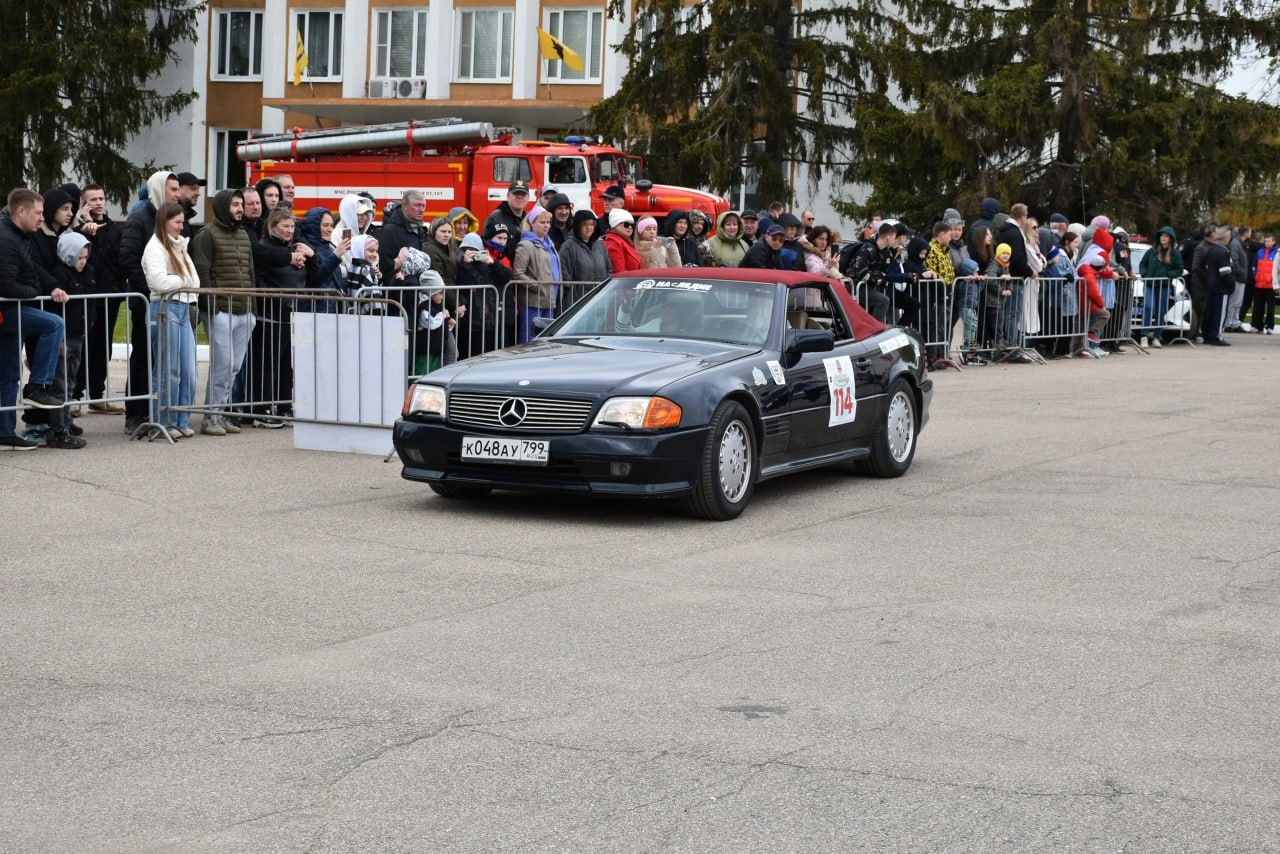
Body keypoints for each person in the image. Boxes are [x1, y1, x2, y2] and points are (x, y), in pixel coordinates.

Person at [0, 189, 73, 450]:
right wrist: (38, 293)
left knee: (8, 375)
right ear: (21, 211)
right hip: (6, 311)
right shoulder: (6, 238)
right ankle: (37, 387)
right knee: (54, 324)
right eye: (38, 213)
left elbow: (31, 272)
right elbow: (7, 285)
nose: (41, 219)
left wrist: (50, 288)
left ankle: (4, 433)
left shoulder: (21, 236)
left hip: (13, 309)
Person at [119, 170, 182, 433]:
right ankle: (135, 412)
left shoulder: (176, 218)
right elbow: (128, 259)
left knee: (163, 359)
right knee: (143, 357)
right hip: (147, 301)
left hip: (170, 301)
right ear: (158, 189)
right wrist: (149, 291)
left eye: (178, 189)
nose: (177, 194)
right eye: (172, 189)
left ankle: (160, 410)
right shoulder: (139, 219)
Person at [190, 189, 255, 436]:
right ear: (222, 206)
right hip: (221, 311)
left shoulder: (243, 235)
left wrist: (253, 308)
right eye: (235, 204)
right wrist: (212, 308)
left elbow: (250, 272)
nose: (240, 209)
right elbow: (203, 273)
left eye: (241, 204)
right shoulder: (207, 235)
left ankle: (221, 413)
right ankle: (211, 418)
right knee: (222, 365)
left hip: (244, 310)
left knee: (234, 367)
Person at [248, 208, 315, 428]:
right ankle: (263, 407)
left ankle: (285, 405)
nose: (289, 230)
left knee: (287, 365)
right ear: (273, 226)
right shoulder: (265, 248)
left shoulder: (297, 248)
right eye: (285, 226)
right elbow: (259, 278)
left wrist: (311, 256)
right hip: (271, 316)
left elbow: (315, 275)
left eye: (292, 226)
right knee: (268, 364)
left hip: (293, 315)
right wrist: (275, 298)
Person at [142, 202, 199, 439]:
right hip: (164, 309)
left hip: (183, 308)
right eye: (176, 222)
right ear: (164, 222)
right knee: (168, 369)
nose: (181, 226)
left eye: (182, 221)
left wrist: (180, 279)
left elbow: (194, 280)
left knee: (188, 370)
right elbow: (159, 283)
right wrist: (182, 280)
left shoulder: (180, 246)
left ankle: (180, 419)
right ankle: (163, 420)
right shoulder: (154, 248)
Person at [76, 183, 125, 412]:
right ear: (83, 204)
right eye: (92, 199)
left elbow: (117, 259)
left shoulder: (114, 228)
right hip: (87, 295)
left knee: (103, 346)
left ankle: (97, 394)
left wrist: (117, 286)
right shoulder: (77, 230)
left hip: (110, 295)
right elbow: (84, 260)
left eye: (101, 198)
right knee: (84, 344)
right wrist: (86, 228)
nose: (98, 202)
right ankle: (75, 395)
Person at [511, 206, 560, 342]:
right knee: (529, 337)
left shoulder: (550, 244)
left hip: (549, 300)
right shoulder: (525, 245)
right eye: (542, 222)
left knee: (545, 339)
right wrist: (536, 286)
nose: (546, 226)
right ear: (532, 223)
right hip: (532, 300)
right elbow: (518, 273)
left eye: (548, 222)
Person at [453, 232, 501, 357]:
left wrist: (493, 263)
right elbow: (464, 284)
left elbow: (506, 276)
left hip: (489, 319)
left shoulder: (486, 265)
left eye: (475, 250)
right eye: (468, 250)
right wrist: (465, 264)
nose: (472, 253)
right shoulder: (461, 265)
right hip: (471, 321)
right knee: (471, 354)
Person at [1137, 226, 1183, 348]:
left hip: (1164, 286)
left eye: (1166, 236)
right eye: (1162, 236)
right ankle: (1144, 335)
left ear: (1171, 239)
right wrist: (1145, 274)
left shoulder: (1175, 254)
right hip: (1149, 284)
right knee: (1148, 307)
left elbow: (1179, 269)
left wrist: (1168, 275)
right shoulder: (1151, 251)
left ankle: (1157, 336)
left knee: (1161, 310)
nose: (1163, 238)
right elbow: (1142, 264)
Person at [1202, 225, 1235, 345]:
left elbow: (1207, 268)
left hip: (1211, 285)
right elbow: (1225, 272)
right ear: (1226, 238)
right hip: (1221, 287)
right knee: (1220, 313)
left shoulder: (1212, 249)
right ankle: (1217, 336)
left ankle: (1207, 335)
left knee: (1210, 312)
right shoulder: (1223, 251)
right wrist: (1231, 285)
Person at [559, 209, 612, 284]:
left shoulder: (600, 246)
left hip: (600, 294)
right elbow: (565, 275)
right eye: (584, 224)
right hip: (579, 295)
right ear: (578, 226)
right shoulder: (568, 247)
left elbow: (609, 270)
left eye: (591, 224)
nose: (589, 228)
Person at [484, 180, 531, 252]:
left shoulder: (529, 219)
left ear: (528, 198)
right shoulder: (496, 218)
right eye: (516, 194)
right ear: (508, 196)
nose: (519, 197)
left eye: (523, 194)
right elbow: (486, 245)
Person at [1226, 226, 1253, 332]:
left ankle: (1234, 323)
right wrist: (1241, 273)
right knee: (1234, 302)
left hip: (1241, 277)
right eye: (1250, 232)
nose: (1251, 234)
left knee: (1238, 303)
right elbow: (1234, 261)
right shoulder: (1236, 244)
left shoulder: (1241, 244)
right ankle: (1229, 323)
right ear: (1246, 233)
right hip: (1237, 277)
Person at [1250, 234, 1277, 335]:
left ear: (1274, 242)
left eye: (1269, 241)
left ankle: (1269, 326)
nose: (1267, 243)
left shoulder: (1277, 253)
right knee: (1258, 307)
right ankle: (1257, 326)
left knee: (1270, 308)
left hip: (1271, 285)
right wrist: (1255, 275)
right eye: (1265, 241)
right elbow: (1254, 266)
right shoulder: (1259, 252)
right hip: (1259, 284)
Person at [604, 209, 642, 274]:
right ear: (616, 225)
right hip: (627, 282)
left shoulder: (626, 242)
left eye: (632, 224)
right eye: (626, 224)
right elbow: (619, 272)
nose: (630, 227)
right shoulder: (613, 243)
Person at [423, 216, 458, 285]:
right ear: (434, 231)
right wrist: (457, 296)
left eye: (449, 232)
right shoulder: (430, 250)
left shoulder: (448, 248)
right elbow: (441, 281)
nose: (447, 235)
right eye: (443, 231)